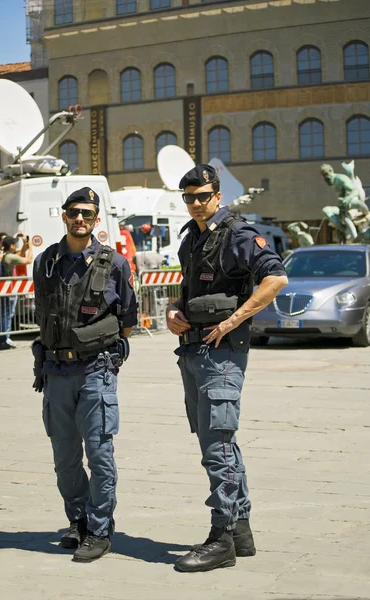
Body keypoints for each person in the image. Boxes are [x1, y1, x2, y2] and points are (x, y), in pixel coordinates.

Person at [166, 164, 288, 573]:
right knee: (219, 443)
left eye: (203, 196)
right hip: (194, 350)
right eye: (189, 197)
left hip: (223, 354)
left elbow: (276, 278)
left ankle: (220, 539)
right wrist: (171, 312)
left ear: (218, 195)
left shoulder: (237, 233)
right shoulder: (193, 239)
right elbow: (184, 292)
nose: (196, 203)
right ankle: (240, 531)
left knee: (217, 446)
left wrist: (236, 319)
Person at [32, 187, 137, 563]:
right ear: (64, 215)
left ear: (96, 220)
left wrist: (104, 350)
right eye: (75, 212)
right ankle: (77, 520)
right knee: (64, 457)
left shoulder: (115, 264)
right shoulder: (45, 261)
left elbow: (127, 320)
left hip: (96, 369)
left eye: (88, 214)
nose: (80, 218)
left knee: (99, 453)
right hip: (56, 371)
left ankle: (99, 529)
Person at [0, 235, 33, 350]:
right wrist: (31, 247)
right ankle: (3, 340)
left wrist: (24, 244)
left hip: (0, 289)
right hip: (7, 289)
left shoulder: (3, 255)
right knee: (5, 314)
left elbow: (20, 252)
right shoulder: (10, 257)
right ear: (12, 245)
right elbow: (28, 260)